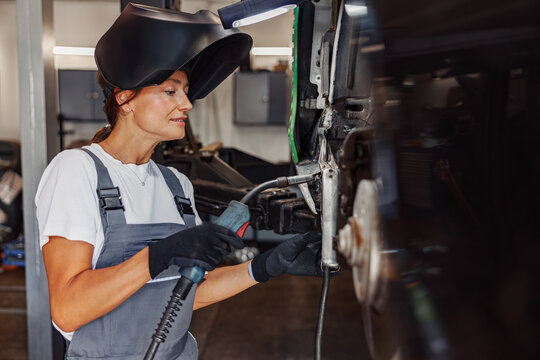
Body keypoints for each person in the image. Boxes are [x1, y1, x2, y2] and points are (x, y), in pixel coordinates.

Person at [36, 4, 323, 360]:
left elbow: (185, 292)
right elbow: (67, 309)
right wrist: (159, 254)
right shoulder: (77, 171)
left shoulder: (176, 186)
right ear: (125, 98)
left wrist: (264, 267)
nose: (187, 103)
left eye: (186, 91)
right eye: (171, 91)